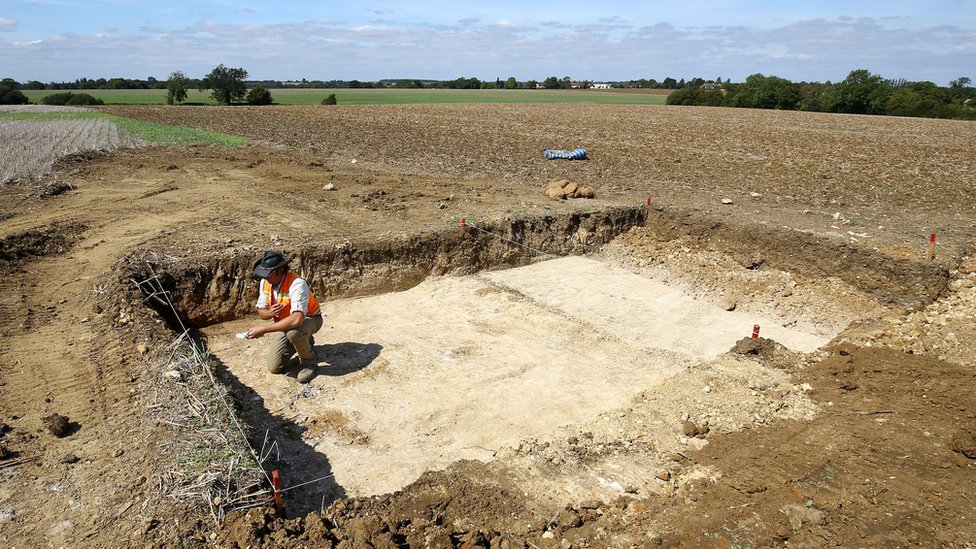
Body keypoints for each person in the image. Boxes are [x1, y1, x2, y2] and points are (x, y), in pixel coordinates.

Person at [246, 251, 323, 383]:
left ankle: (309, 362)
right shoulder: (265, 283)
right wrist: (270, 313)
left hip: (311, 319)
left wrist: (263, 330)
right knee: (274, 367)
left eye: (268, 274)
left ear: (279, 271)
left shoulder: (297, 284)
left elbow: (297, 319)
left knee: (295, 332)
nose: (265, 278)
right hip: (286, 324)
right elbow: (261, 312)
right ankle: (306, 342)